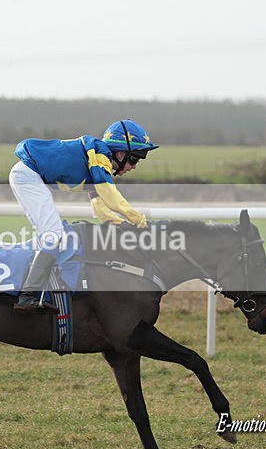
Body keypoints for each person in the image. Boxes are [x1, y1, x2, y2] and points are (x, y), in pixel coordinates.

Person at [9, 119, 159, 314]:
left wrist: (119, 223)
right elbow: (111, 197)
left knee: (52, 234)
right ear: (121, 153)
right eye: (134, 159)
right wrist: (139, 220)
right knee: (54, 235)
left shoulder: (98, 161)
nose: (134, 167)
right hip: (28, 176)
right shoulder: (100, 155)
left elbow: (100, 207)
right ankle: (27, 295)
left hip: (28, 176)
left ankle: (36, 287)